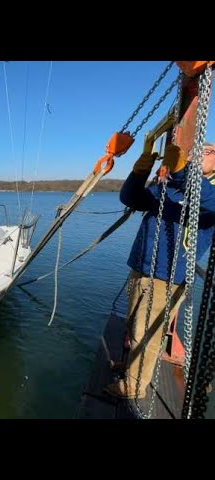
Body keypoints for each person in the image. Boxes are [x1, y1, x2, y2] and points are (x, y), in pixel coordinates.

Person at [104, 142, 215, 400]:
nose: (196, 154)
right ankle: (133, 366)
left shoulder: (208, 192)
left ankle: (134, 386)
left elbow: (204, 197)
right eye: (193, 151)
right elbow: (130, 198)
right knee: (134, 324)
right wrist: (139, 172)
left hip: (169, 276)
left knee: (148, 332)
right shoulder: (172, 187)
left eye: (206, 151)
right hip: (141, 265)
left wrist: (181, 169)